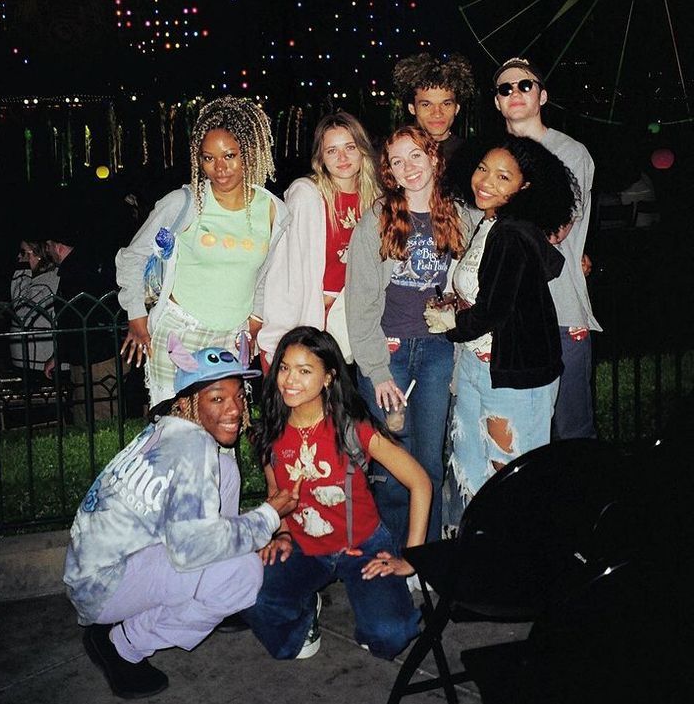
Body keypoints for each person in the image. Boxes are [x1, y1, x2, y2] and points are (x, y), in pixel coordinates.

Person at [63, 336, 301, 699]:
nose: (235, 409)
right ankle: (122, 643)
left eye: (239, 396)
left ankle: (205, 599)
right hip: (104, 588)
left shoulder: (168, 430)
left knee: (227, 477)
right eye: (217, 399)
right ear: (188, 403)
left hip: (95, 570)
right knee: (243, 574)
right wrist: (269, 517)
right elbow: (193, 551)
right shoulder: (194, 448)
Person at [243, 326, 430, 660]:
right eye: (284, 368)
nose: (289, 380)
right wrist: (282, 534)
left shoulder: (352, 427)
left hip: (363, 545)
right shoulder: (271, 429)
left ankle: (372, 617)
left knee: (390, 636)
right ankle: (305, 613)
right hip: (304, 546)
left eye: (304, 371)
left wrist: (411, 560)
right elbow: (277, 492)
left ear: (328, 377)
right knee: (246, 595)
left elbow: (420, 481)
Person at [427, 136, 578, 523]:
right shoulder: (490, 221)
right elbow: (485, 290)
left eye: (502, 176)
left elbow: (494, 310)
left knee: (509, 477)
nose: (485, 181)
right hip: (480, 367)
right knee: (469, 468)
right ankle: (477, 563)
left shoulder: (512, 232)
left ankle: (522, 571)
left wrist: (451, 324)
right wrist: (453, 307)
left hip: (515, 377)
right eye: (483, 169)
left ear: (524, 187)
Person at [116, 96, 290, 408]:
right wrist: (137, 316)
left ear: (249, 153)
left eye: (230, 156)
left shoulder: (273, 210)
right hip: (178, 334)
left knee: (224, 429)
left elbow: (265, 275)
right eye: (208, 158)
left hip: (231, 338)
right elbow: (133, 255)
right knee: (174, 428)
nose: (219, 168)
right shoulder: (183, 203)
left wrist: (254, 319)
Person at [345, 126, 465, 546]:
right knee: (393, 465)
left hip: (437, 353)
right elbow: (359, 303)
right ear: (388, 172)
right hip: (389, 352)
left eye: (416, 156)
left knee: (429, 460)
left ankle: (425, 556)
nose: (408, 168)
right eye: (396, 161)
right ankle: (393, 555)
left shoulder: (460, 215)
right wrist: (376, 370)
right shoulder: (377, 219)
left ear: (434, 158)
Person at [493, 58, 602, 439]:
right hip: (507, 315)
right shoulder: (494, 158)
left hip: (560, 310)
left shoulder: (570, 152)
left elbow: (554, 229)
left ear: (542, 95)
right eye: (506, 88)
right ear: (497, 103)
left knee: (572, 427)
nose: (516, 93)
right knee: (517, 430)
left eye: (525, 85)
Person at [259, 111, 379, 366]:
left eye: (350, 147)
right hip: (308, 318)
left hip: (353, 321)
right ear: (320, 157)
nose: (343, 157)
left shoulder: (376, 199)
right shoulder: (307, 195)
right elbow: (285, 269)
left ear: (363, 150)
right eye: (332, 150)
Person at [44, 224, 121, 423]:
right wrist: (60, 355)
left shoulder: (78, 271)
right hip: (86, 356)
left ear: (58, 246)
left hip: (96, 358)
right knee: (84, 416)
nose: (48, 251)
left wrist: (61, 353)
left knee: (101, 419)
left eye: (49, 246)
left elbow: (75, 319)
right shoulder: (77, 268)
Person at [392, 51, 476, 165]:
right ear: (412, 108)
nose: (437, 113)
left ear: (457, 108)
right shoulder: (395, 153)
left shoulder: (472, 156)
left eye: (446, 104)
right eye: (426, 105)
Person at [9, 238, 60, 380]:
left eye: (23, 252)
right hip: (33, 362)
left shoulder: (48, 280)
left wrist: (23, 268)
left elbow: (22, 308)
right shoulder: (39, 279)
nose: (19, 257)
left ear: (38, 254)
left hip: (41, 364)